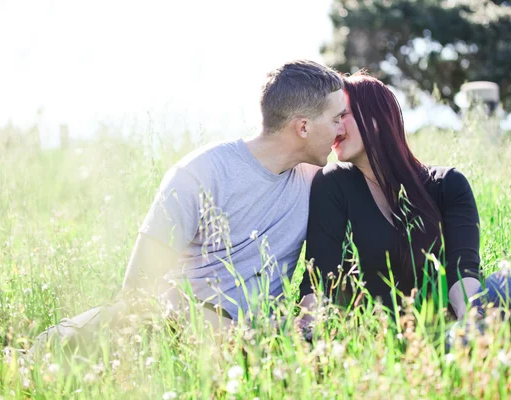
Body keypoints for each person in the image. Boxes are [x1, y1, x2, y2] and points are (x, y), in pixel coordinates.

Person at [31, 59, 347, 354]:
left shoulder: (318, 183)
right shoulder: (200, 174)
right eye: (334, 120)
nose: (340, 131)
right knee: (47, 357)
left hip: (249, 348)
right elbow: (138, 289)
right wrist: (228, 331)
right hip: (168, 334)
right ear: (302, 127)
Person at [298, 71, 511, 326]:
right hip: (382, 340)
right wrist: (306, 330)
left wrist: (472, 324)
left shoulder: (448, 184)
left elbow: (462, 273)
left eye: (342, 115)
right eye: (331, 119)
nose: (334, 127)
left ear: (375, 118)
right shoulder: (333, 184)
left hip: (449, 332)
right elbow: (318, 281)